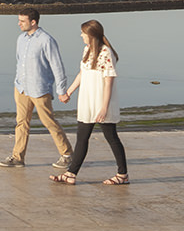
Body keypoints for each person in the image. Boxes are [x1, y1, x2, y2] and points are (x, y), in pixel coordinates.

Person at [51, 19, 128, 186]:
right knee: (82, 138)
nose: (81, 36)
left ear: (91, 35)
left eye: (83, 33)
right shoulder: (87, 50)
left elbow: (109, 82)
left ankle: (122, 175)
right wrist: (68, 92)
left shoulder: (106, 52)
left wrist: (104, 108)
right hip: (87, 101)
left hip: (102, 103)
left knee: (112, 138)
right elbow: (82, 73)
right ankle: (71, 174)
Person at [0, 6, 73, 168]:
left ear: (33, 22)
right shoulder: (21, 39)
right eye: (19, 20)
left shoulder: (46, 40)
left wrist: (61, 90)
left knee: (48, 121)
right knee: (21, 122)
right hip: (21, 88)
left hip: (39, 89)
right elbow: (19, 62)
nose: (19, 24)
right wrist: (17, 81)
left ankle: (67, 154)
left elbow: (57, 66)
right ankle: (18, 157)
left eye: (22, 21)